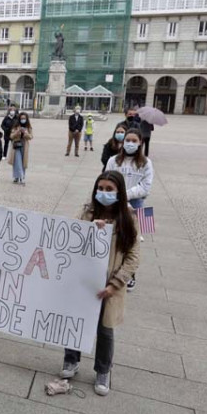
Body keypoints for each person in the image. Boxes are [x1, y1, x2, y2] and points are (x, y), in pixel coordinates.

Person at [60, 170, 140, 397]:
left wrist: (115, 284)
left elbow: (133, 256)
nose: (103, 193)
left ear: (119, 192)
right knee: (75, 322)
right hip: (84, 282)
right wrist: (88, 229)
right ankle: (70, 360)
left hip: (109, 286)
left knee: (105, 330)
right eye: (101, 188)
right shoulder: (87, 212)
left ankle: (103, 370)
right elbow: (69, 235)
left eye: (109, 189)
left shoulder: (128, 218)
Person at [105, 128, 153, 291]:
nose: (130, 143)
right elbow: (107, 178)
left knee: (133, 241)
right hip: (114, 201)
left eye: (134, 141)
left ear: (140, 143)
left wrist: (126, 195)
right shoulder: (113, 160)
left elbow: (146, 187)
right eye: (127, 140)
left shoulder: (146, 162)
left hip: (137, 203)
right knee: (113, 237)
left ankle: (130, 274)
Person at [8, 112, 32, 184]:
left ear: (26, 119)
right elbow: (11, 136)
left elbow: (31, 137)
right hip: (16, 145)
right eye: (21, 118)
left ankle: (22, 176)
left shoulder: (28, 127)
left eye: (24, 118)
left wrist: (25, 133)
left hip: (24, 145)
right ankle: (17, 176)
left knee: (23, 162)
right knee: (17, 161)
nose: (23, 120)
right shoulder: (15, 126)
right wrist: (17, 132)